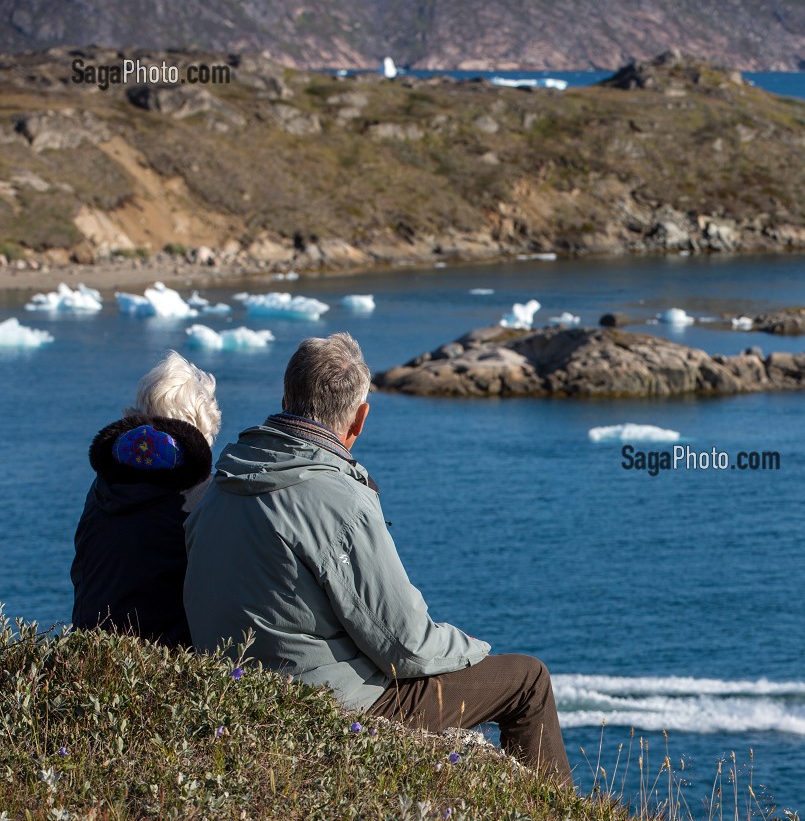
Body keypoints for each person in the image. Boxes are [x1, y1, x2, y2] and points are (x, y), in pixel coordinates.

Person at [183, 332, 571, 787]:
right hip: (326, 708)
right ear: (359, 418)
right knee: (528, 681)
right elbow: (405, 645)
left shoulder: (226, 478)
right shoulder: (336, 499)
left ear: (287, 397)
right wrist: (469, 647)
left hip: (236, 695)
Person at [71, 351, 221, 648]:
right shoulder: (205, 496)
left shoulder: (103, 486)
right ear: (204, 425)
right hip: (164, 672)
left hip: (86, 658)